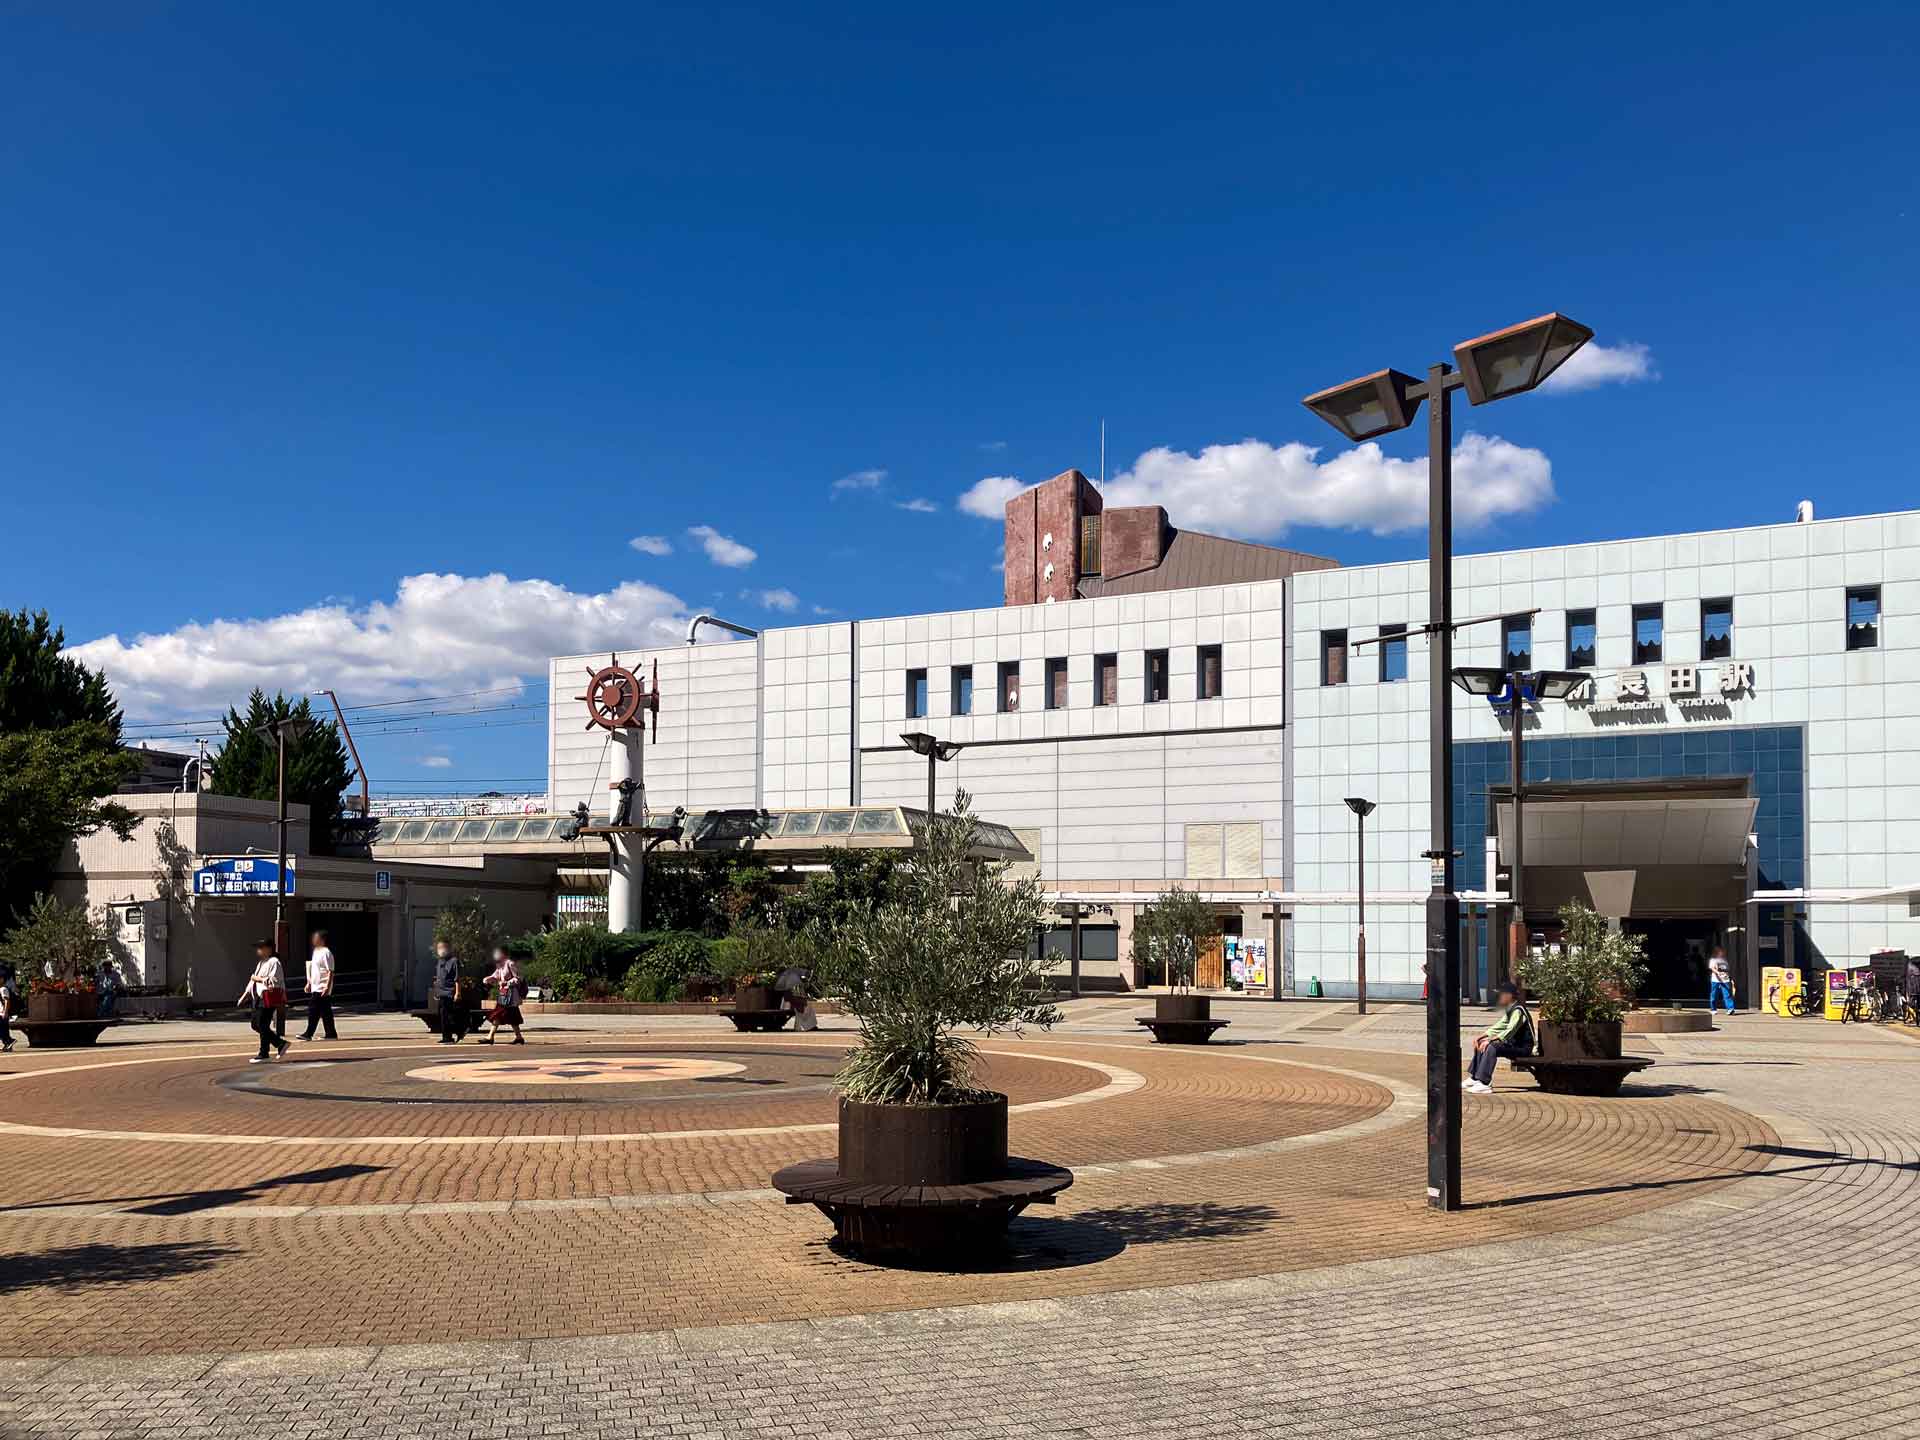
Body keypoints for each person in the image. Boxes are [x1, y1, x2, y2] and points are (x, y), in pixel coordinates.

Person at [1464, 983, 1534, 1094]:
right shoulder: (1511, 1009)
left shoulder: (1518, 1011)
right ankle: (1475, 1078)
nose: (1499, 997)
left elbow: (1510, 1030)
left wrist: (1491, 1040)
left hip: (1523, 1048)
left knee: (1492, 1047)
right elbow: (1500, 1025)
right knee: (1481, 1043)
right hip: (1513, 1045)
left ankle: (1485, 1082)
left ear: (1509, 996)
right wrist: (1482, 1036)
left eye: (1501, 994)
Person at [239, 940, 291, 1063]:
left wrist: (256, 978)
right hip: (258, 997)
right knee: (256, 1024)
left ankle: (264, 1053)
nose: (258, 950)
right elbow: (252, 982)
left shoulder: (274, 962)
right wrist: (245, 995)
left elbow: (272, 981)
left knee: (262, 1024)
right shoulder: (261, 963)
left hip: (268, 997)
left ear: (268, 949)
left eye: (260, 948)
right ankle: (279, 1044)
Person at [480, 947, 525, 1045]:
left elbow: (517, 978)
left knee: (498, 1013)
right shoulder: (500, 966)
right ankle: (519, 1037)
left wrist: (507, 983)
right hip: (503, 994)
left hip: (511, 995)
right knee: (512, 1016)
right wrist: (488, 979)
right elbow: (495, 976)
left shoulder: (510, 963)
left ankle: (490, 1037)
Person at [301, 929, 339, 1041]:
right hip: (315, 986)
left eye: (316, 938)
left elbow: (330, 970)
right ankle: (331, 1033)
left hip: (322, 987)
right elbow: (313, 969)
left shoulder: (326, 953)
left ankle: (308, 1033)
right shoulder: (316, 952)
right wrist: (309, 983)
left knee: (313, 1009)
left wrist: (327, 986)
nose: (314, 940)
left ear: (322, 940)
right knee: (325, 1011)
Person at [431, 939, 463, 1043]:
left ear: (449, 948)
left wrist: (458, 993)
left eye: (444, 947)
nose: (441, 950)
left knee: (448, 1015)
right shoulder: (440, 961)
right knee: (443, 1015)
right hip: (441, 992)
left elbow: (457, 978)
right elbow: (438, 978)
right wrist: (436, 991)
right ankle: (447, 1036)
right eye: (439, 947)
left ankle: (453, 1034)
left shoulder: (454, 961)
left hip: (450, 992)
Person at [1708, 946, 1736, 1019]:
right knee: (1714, 994)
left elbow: (1727, 970)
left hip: (1725, 979)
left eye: (1722, 951)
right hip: (1715, 980)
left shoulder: (1724, 960)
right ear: (1717, 952)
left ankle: (1730, 1009)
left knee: (1727, 994)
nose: (1722, 953)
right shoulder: (1713, 960)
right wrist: (1717, 972)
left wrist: (1731, 978)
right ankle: (1713, 1009)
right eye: (1720, 951)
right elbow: (1712, 968)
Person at [0, 963, 17, 1053]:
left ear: (2, 979)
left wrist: (5, 1012)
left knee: (3, 1030)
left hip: (2, 1013)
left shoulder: (3, 989)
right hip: (1, 1013)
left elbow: (7, 1001)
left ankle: (9, 1041)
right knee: (4, 1030)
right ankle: (8, 1044)